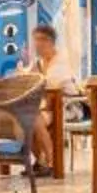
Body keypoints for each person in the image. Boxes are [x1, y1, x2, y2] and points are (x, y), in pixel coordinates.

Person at [27, 22, 69, 177]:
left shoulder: (60, 62)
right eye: (35, 40)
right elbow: (29, 82)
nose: (36, 45)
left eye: (39, 40)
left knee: (33, 117)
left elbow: (54, 90)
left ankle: (52, 161)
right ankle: (40, 161)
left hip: (65, 107)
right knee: (26, 117)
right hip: (45, 107)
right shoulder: (38, 63)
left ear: (49, 41)